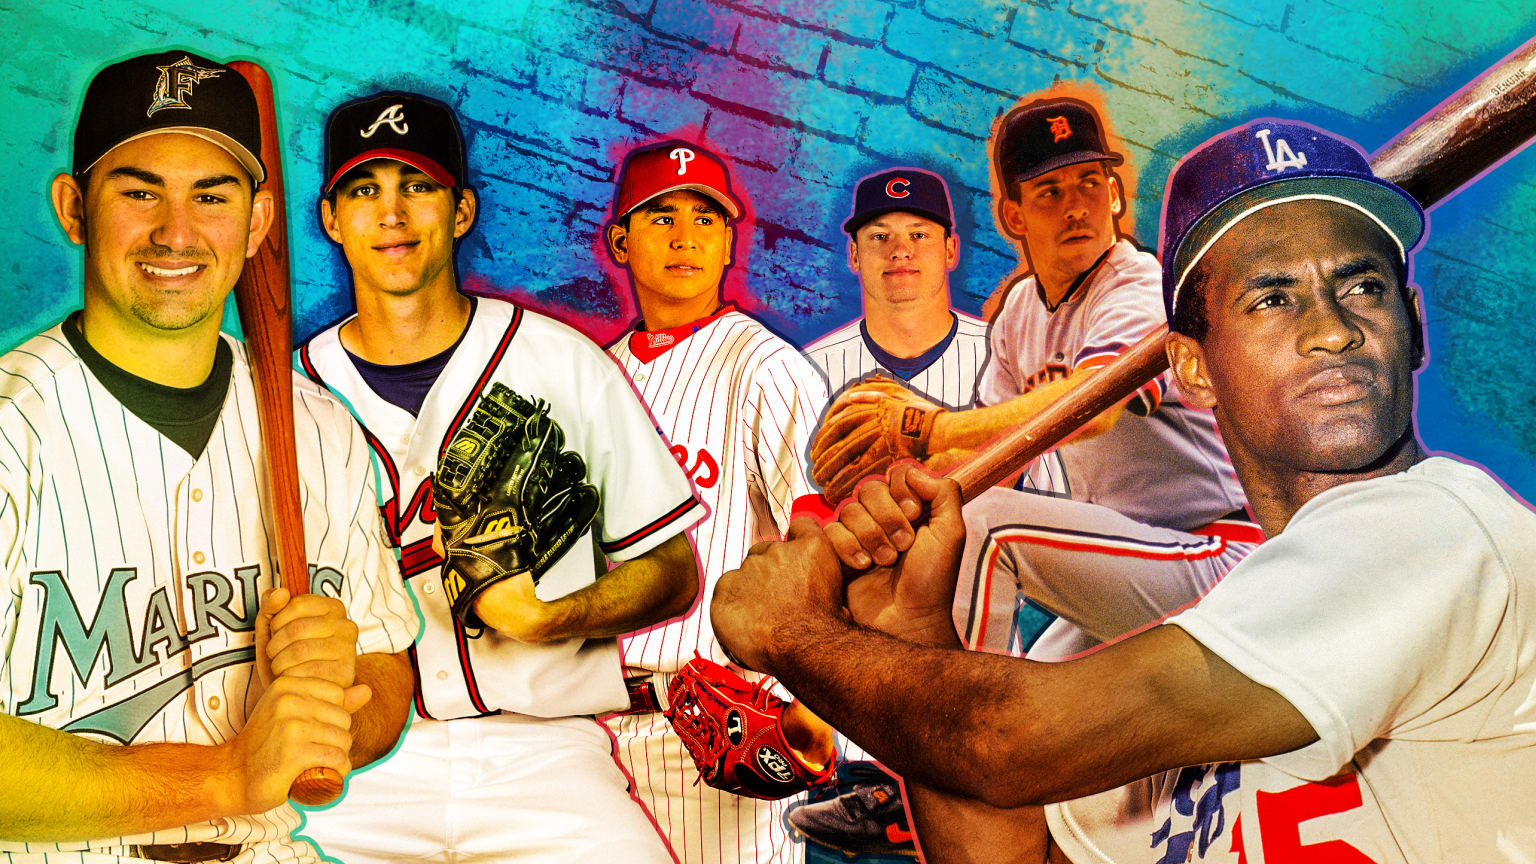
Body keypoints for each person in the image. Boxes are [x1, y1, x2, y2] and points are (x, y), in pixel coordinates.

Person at [712, 118, 1536, 862]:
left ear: (1415, 324)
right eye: (1274, 298)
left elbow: (1006, 736)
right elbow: (1010, 847)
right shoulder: (1018, 319)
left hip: (1212, 546)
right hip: (1199, 597)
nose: (1332, 329)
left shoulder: (1441, 531)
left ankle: (885, 780)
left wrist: (795, 632)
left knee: (992, 531)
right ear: (1192, 366)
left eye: (1363, 287)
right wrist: (916, 636)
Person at [0, 51, 420, 863]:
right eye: (139, 190)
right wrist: (228, 775)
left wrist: (337, 699)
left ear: (258, 223)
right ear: (73, 207)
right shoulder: (14, 431)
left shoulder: (317, 429)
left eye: (212, 196)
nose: (177, 232)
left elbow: (386, 680)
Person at [296, 92, 701, 863]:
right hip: (355, 771)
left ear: (460, 210)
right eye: (364, 189)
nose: (392, 213)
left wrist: (551, 617)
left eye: (417, 186)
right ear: (331, 218)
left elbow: (674, 572)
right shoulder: (284, 399)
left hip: (546, 756)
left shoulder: (560, 363)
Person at [796, 166, 1065, 859]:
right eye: (879, 236)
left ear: (951, 250)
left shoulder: (1005, 362)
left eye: (919, 233)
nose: (899, 251)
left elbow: (1065, 526)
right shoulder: (801, 373)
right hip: (844, 765)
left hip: (988, 739)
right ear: (852, 255)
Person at [600, 140, 834, 864]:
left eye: (705, 218)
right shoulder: (593, 379)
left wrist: (820, 702)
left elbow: (821, 542)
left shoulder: (763, 366)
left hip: (715, 735)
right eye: (660, 216)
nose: (684, 236)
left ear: (730, 239)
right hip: (589, 732)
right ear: (620, 241)